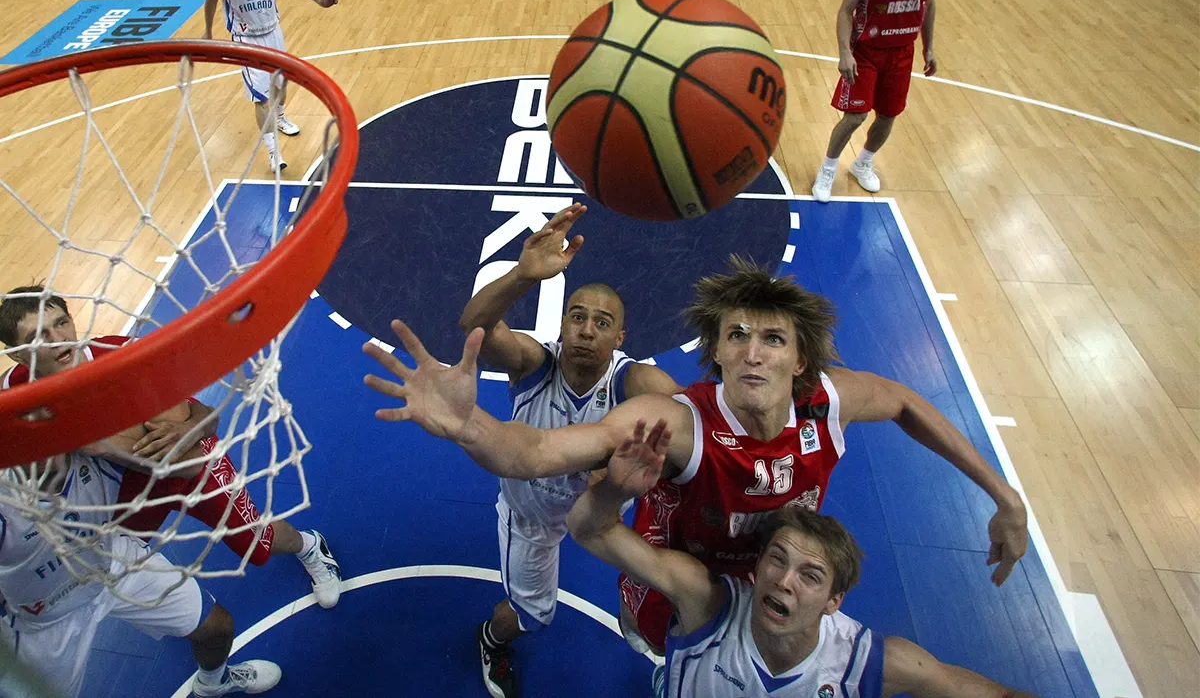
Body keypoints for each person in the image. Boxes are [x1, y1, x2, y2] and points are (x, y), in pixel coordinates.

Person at [361, 256, 1028, 660]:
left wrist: (1005, 496)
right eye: (736, 336)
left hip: (772, 578)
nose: (753, 352)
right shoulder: (681, 421)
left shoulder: (829, 399)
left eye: (773, 339)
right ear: (717, 352)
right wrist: (469, 423)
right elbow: (534, 451)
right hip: (679, 578)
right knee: (652, 644)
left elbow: (906, 401)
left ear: (801, 360)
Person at [567, 418, 1035, 698]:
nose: (784, 580)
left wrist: (1007, 500)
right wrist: (614, 491)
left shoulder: (866, 664)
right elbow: (589, 528)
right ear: (756, 565)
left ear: (835, 601)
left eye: (810, 576)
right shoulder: (705, 601)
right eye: (777, 559)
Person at [0, 287, 343, 609]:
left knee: (256, 544)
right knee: (112, 556)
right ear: (16, 354)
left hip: (190, 471)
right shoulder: (13, 394)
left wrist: (106, 445)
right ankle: (191, 614)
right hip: (124, 488)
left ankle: (310, 546)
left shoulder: (123, 357)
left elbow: (194, 448)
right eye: (38, 337)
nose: (58, 339)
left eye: (61, 323)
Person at [458, 203, 680, 697]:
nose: (586, 329)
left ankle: (637, 616)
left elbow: (693, 426)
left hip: (602, 517)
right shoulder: (534, 363)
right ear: (562, 325)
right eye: (577, 317)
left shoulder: (637, 381)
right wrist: (522, 275)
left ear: (620, 338)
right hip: (532, 516)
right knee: (533, 614)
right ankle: (492, 639)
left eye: (602, 322)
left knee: (671, 586)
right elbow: (475, 326)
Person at [0, 450, 281, 698]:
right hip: (42, 620)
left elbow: (193, 458)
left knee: (217, 628)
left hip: (110, 564)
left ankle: (213, 683)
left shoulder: (98, 450)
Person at [811, 0, 941, 202]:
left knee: (889, 114)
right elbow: (845, 10)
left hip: (902, 53)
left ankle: (863, 163)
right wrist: (844, 52)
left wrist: (928, 48)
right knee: (855, 116)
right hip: (866, 52)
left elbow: (930, 3)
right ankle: (827, 170)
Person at [201, 0, 339, 172]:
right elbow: (211, 0)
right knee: (261, 98)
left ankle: (281, 118)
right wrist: (208, 31)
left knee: (281, 84)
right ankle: (274, 153)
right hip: (246, 40)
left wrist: (320, 1)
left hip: (273, 33)